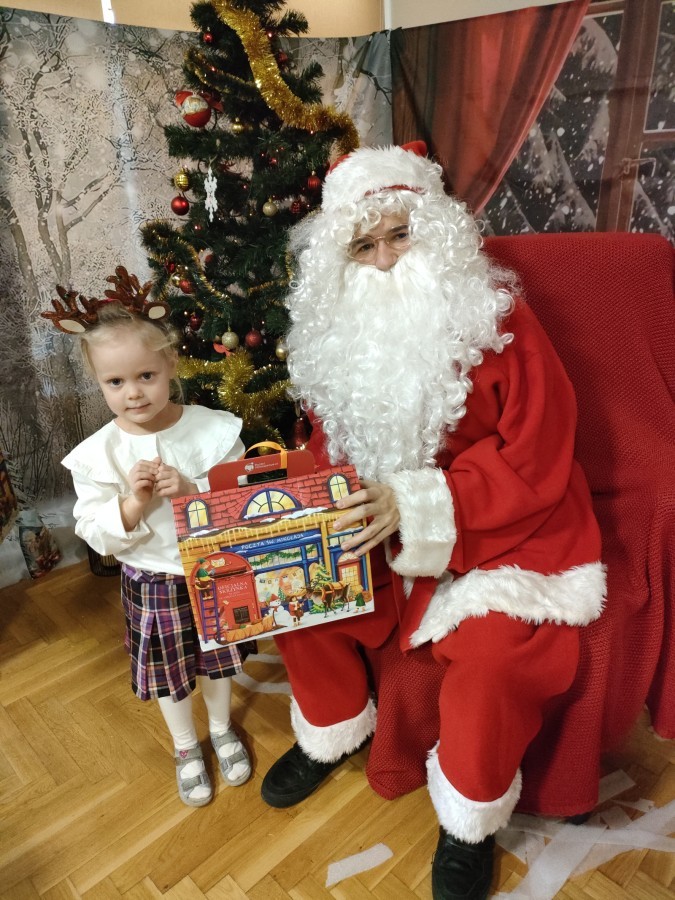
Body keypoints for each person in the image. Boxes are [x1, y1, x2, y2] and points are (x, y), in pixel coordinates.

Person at [260, 143, 606, 900]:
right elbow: (325, 444)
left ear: (436, 233)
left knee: (495, 659)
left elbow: (539, 449)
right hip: (373, 518)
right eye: (363, 245)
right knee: (290, 583)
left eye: (400, 234)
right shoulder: (335, 333)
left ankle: (468, 821)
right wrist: (326, 504)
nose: (384, 259)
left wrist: (420, 505)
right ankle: (330, 728)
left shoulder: (497, 316)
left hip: (502, 525)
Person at [58, 298, 252, 807]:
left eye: (146, 375)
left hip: (212, 567)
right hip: (151, 579)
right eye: (115, 382)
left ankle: (221, 728)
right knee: (170, 672)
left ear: (171, 363)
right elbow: (94, 530)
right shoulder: (97, 455)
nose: (133, 393)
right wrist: (133, 504)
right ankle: (186, 746)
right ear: (99, 382)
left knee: (217, 659)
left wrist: (192, 491)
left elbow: (242, 504)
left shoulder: (212, 430)